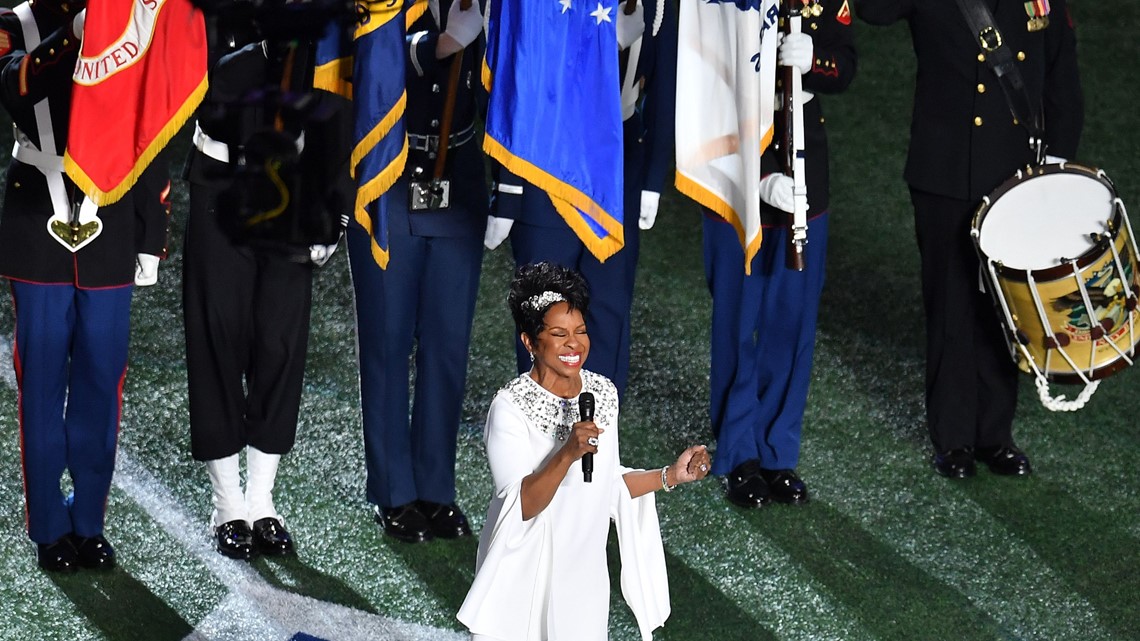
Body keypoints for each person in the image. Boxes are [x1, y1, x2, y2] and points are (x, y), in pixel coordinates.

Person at [857, 0, 1082, 478]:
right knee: (950, 305)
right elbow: (872, 11)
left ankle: (994, 436)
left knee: (1007, 309)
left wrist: (1059, 163)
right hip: (945, 172)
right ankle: (953, 438)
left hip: (1014, 175)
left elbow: (1062, 73)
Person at [0, 0, 170, 571]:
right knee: (42, 385)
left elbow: (152, 125)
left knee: (102, 382)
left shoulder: (127, 19)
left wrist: (153, 233)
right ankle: (49, 528)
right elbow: (15, 89)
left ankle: (89, 521)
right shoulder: (14, 21)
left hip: (111, 224)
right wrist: (70, 37)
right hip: (37, 230)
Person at [457, 262, 711, 641]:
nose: (574, 344)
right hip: (526, 570)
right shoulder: (510, 408)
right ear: (529, 341)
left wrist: (671, 475)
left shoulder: (603, 393)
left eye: (580, 331)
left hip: (583, 573)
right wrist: (566, 453)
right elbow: (520, 506)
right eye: (559, 334)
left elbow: (607, 484)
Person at [183, 10, 353, 559]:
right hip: (222, 186)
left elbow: (343, 102)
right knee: (219, 336)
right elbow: (206, 90)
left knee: (280, 342)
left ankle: (261, 500)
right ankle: (227, 502)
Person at [483, 0, 676, 399]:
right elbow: (514, 68)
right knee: (545, 318)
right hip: (545, 165)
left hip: (619, 165)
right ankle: (543, 450)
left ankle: (597, 453)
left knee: (606, 316)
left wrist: (654, 174)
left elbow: (667, 77)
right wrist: (509, 189)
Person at [705, 0, 855, 507]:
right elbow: (703, 82)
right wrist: (758, 177)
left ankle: (776, 453)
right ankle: (738, 454)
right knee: (737, 321)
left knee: (791, 324)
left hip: (805, 178)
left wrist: (814, 63)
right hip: (732, 175)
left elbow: (845, 65)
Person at [347, 0, 486, 544]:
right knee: (387, 343)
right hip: (391, 183)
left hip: (459, 180)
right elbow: (368, 61)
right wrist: (440, 45)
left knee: (447, 346)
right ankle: (392, 492)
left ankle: (435, 486)